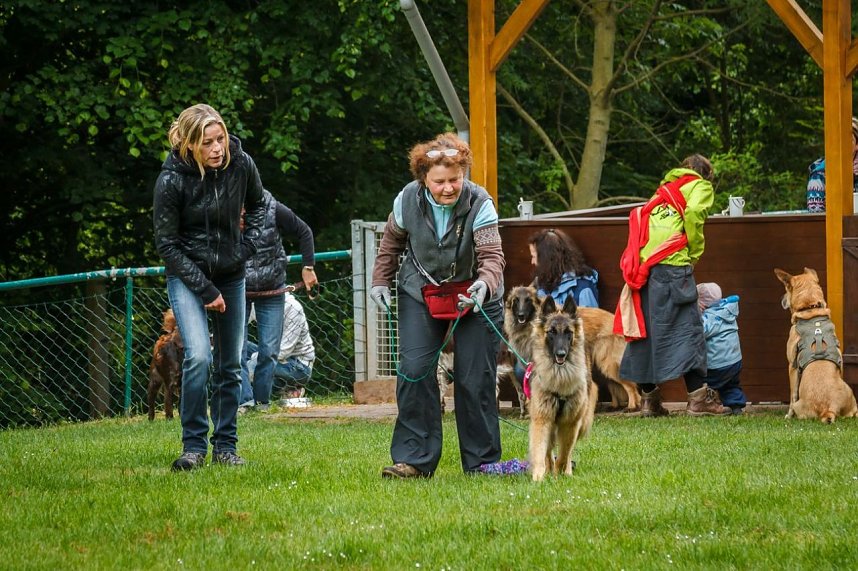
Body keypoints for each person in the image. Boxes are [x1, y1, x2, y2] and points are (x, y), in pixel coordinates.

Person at [369, 132, 506, 478]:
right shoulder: (406, 201)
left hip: (476, 294)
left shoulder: (480, 203)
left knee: (474, 377)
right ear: (423, 179)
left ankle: (482, 462)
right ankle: (414, 459)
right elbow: (390, 244)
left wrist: (483, 286)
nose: (448, 188)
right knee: (414, 370)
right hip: (421, 291)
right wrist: (380, 282)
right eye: (439, 181)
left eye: (455, 180)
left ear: (464, 175)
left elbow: (492, 258)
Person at [153, 103, 267, 471]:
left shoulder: (241, 164)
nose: (218, 149)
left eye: (220, 139)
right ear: (189, 146)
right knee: (199, 356)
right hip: (187, 276)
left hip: (230, 273)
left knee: (230, 363)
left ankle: (226, 446)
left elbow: (260, 207)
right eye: (207, 143)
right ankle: (193, 447)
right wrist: (206, 291)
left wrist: (244, 249)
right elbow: (167, 245)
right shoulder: (171, 180)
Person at [614, 153, 730, 416]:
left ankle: (649, 401)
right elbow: (694, 212)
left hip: (645, 269)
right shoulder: (699, 185)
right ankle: (699, 400)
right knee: (688, 332)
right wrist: (694, 250)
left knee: (646, 334)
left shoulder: (663, 191)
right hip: (674, 266)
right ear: (706, 175)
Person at [239, 191, 316, 410]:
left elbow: (304, 231)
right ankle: (245, 402)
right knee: (235, 349)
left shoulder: (271, 206)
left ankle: (262, 402)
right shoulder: (220, 204)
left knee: (269, 352)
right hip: (237, 289)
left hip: (272, 289)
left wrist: (308, 267)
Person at [242, 291, 316, 404]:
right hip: (273, 358)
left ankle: (250, 401)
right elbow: (240, 324)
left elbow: (284, 351)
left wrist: (252, 362)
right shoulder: (259, 300)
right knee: (237, 347)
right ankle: (287, 388)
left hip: (299, 366)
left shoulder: (293, 308)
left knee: (252, 368)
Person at [685, 283, 747, 415]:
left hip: (718, 364)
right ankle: (736, 406)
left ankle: (707, 403)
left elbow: (700, 332)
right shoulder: (727, 311)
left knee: (708, 383)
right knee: (731, 384)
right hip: (735, 361)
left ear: (702, 304)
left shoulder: (710, 317)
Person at [528, 228, 599, 307]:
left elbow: (591, 318)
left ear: (546, 259)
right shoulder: (540, 283)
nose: (532, 262)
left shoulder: (583, 290)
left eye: (534, 257)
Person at [806, 117, 858, 212]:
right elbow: (816, 214)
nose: (842, 143)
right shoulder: (819, 174)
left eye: (847, 139)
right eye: (838, 138)